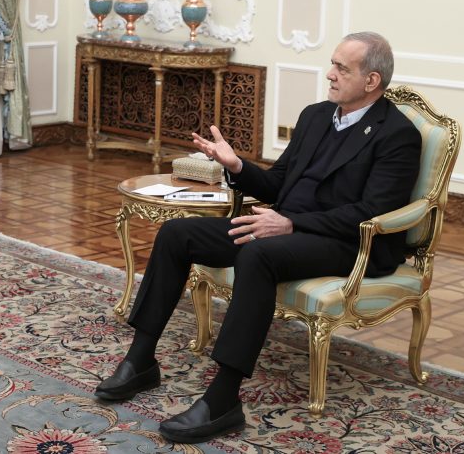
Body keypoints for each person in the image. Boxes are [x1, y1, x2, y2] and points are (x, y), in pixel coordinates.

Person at [94, 32, 421, 443]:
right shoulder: (316, 116)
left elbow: (369, 212)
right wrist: (236, 165)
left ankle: (223, 398)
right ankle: (141, 359)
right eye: (333, 64)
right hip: (284, 228)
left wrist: (291, 224)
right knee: (178, 233)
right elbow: (278, 183)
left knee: (258, 254)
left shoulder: (397, 134)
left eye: (342, 68)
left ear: (371, 81)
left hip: (347, 243)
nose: (330, 74)